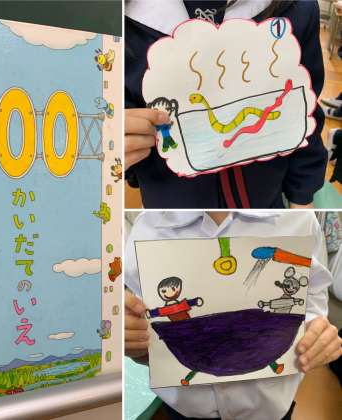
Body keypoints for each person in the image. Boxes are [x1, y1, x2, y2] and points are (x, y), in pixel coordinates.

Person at [125, 211, 342, 420]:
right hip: (183, 409)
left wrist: (317, 331)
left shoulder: (299, 221)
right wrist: (135, 342)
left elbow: (314, 295)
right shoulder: (148, 227)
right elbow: (144, 320)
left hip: (271, 409)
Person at [125, 0, 327, 208]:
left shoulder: (297, 9)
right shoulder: (119, 25)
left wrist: (302, 197)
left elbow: (305, 113)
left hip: (267, 209)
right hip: (169, 214)